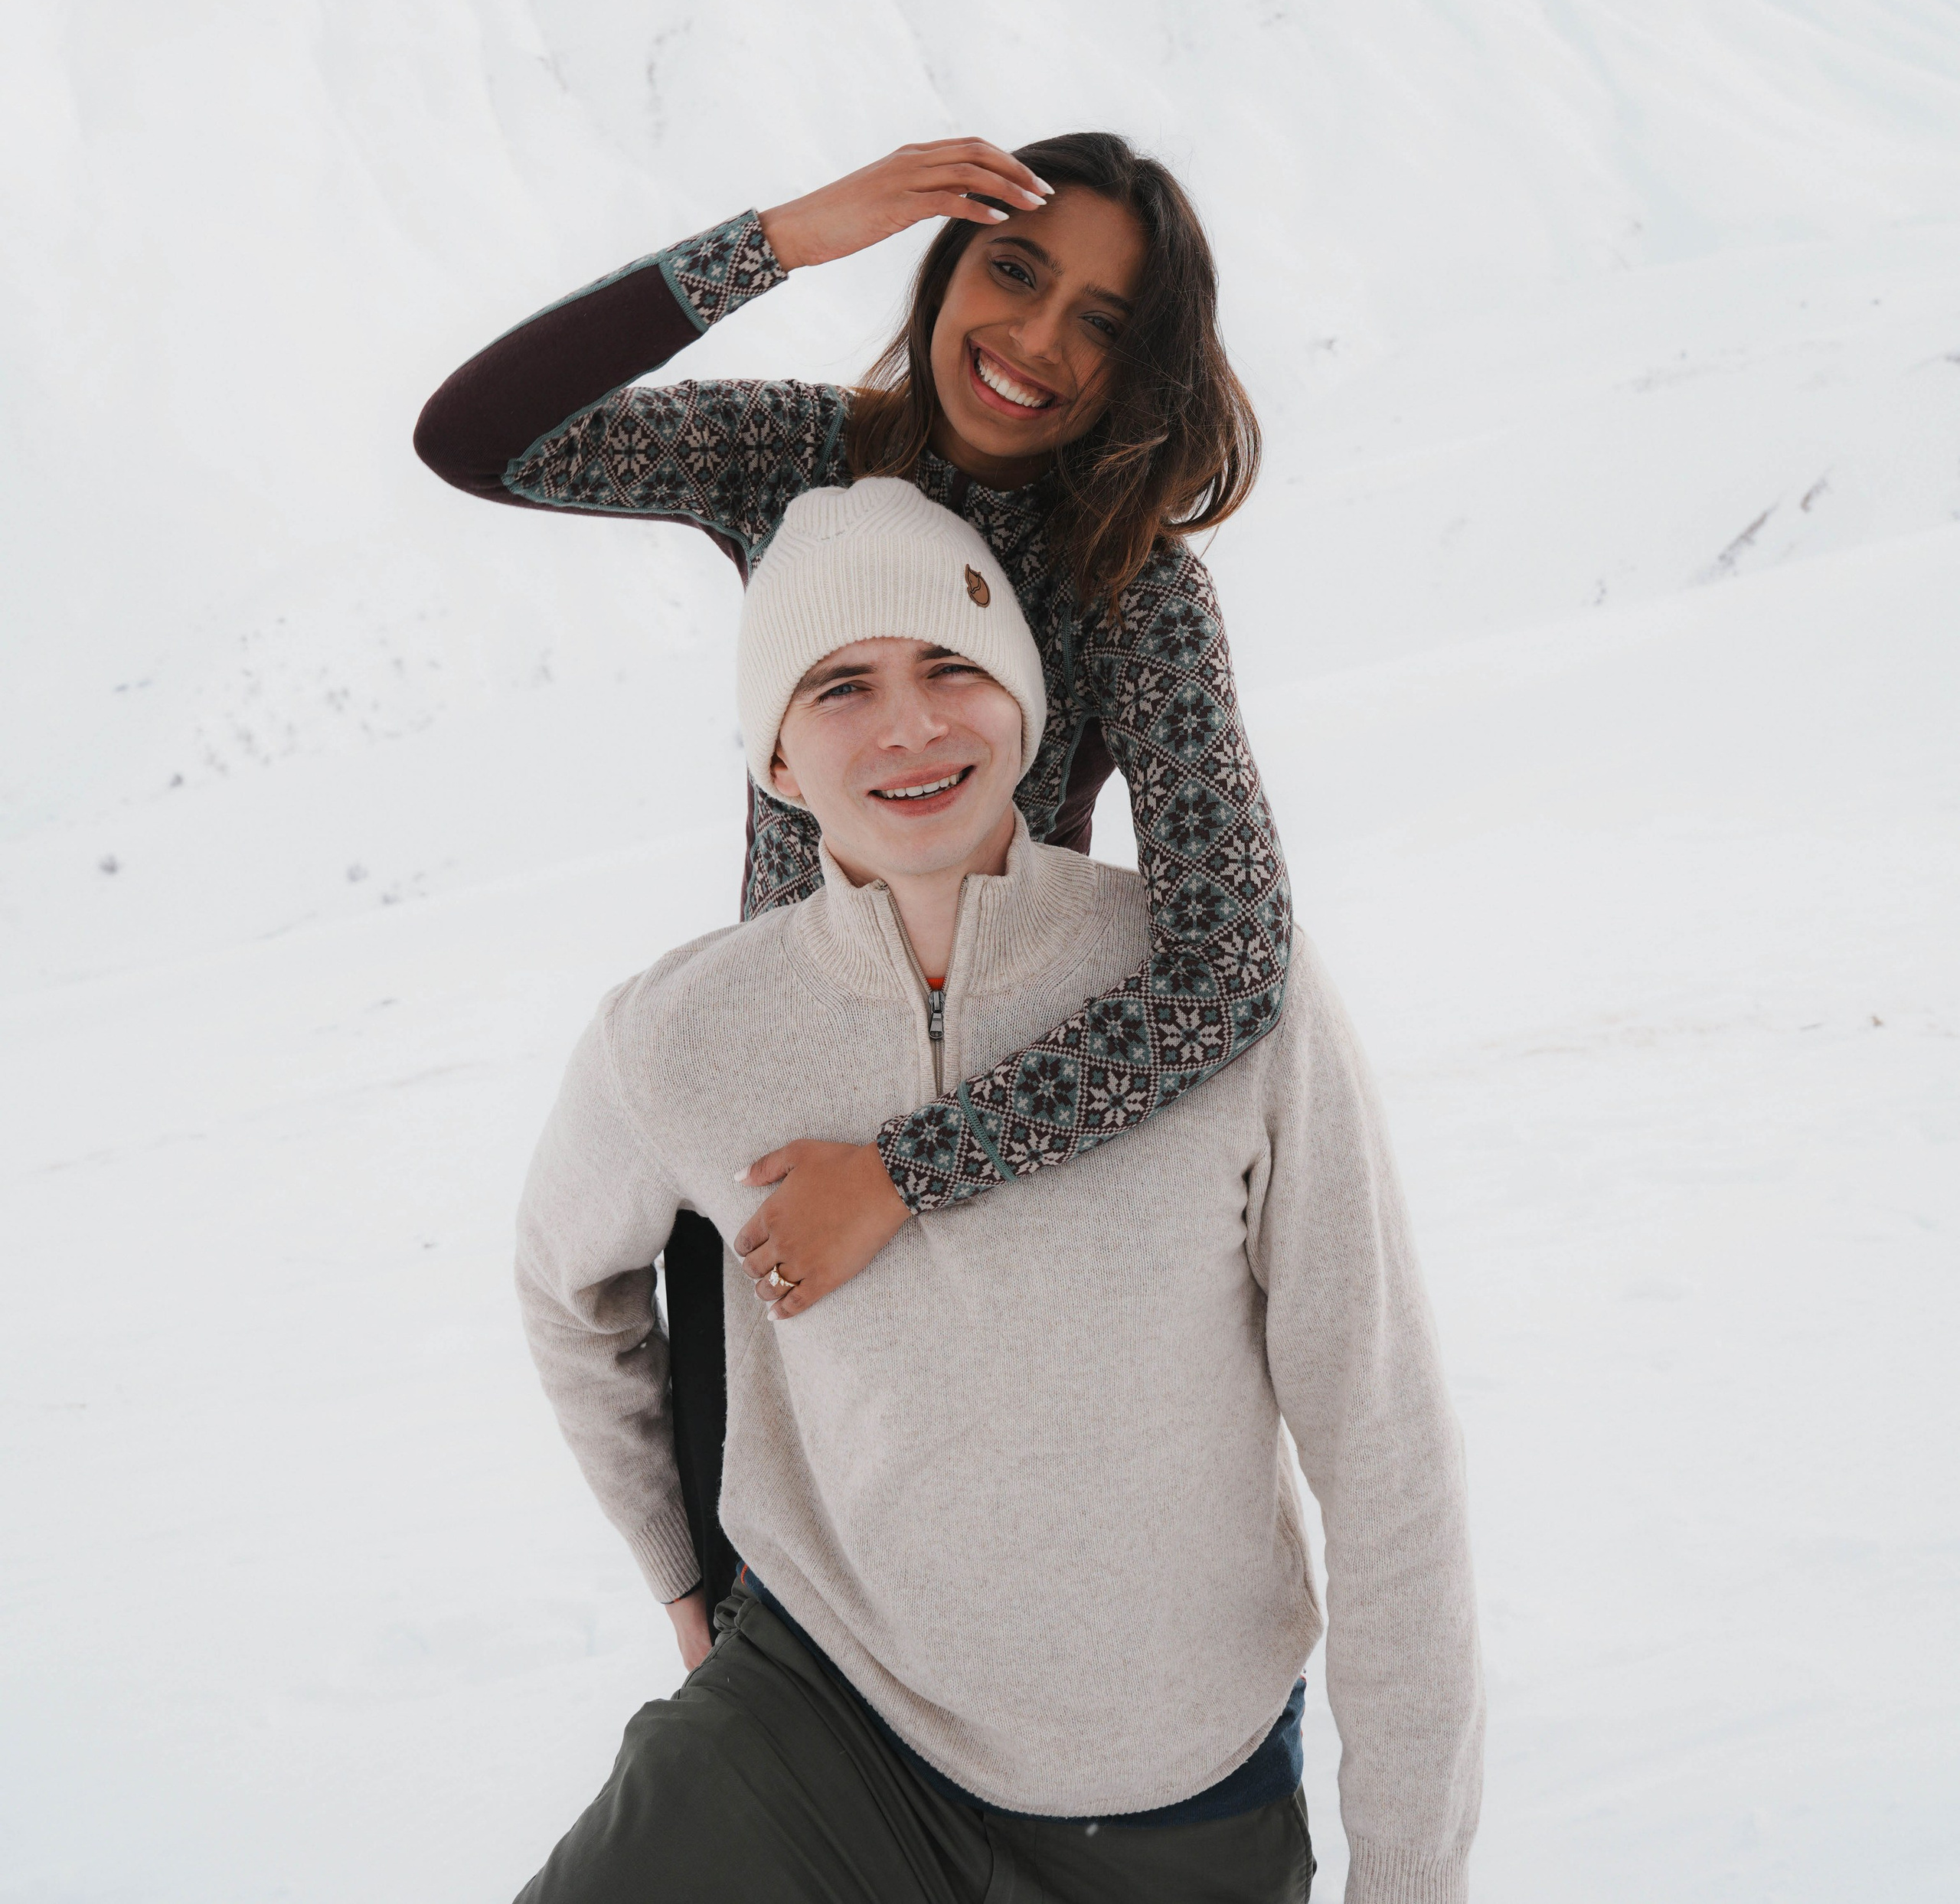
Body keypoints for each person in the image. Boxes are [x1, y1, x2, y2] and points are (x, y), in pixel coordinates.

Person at [513, 478, 1483, 1902]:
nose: (909, 725)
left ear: (1026, 708)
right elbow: (564, 1285)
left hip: (1172, 1788)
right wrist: (679, 1567)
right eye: (842, 684)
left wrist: (1413, 1877)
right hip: (824, 1726)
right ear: (776, 755)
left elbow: (1384, 1438)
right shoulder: (681, 1036)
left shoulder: (1215, 990)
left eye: (950, 665)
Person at [415, 132, 1290, 1634]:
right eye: (1014, 270)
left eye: (1099, 319)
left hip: (995, 1176)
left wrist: (908, 1171)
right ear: (945, 265)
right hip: (761, 1173)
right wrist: (786, 236)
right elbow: (480, 438)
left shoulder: (1127, 576)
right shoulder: (803, 458)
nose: (1036, 340)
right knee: (751, 1657)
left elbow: (1232, 959)